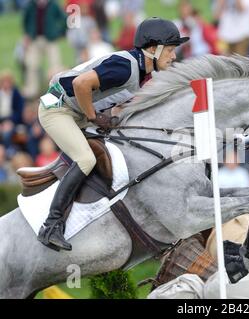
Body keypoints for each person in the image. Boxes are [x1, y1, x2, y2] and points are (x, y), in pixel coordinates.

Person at [36, 18, 189, 251]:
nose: (174, 56)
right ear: (152, 49)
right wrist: (94, 117)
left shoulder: (142, 72)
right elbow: (80, 84)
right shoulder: (126, 67)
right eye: (170, 49)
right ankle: (51, 225)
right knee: (86, 159)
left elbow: (109, 99)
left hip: (75, 111)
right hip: (58, 109)